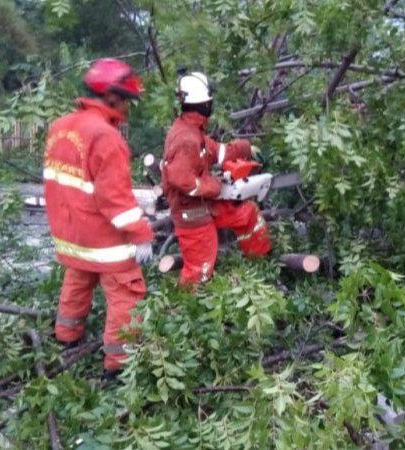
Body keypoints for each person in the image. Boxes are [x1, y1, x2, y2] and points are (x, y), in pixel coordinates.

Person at [43, 58, 154, 374]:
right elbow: (114, 199)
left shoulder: (59, 127)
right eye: (127, 101)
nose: (127, 109)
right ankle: (119, 365)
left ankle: (66, 338)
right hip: (102, 239)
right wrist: (140, 233)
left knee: (78, 278)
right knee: (127, 292)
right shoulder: (106, 137)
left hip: (69, 236)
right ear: (113, 96)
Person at [161, 71, 271, 286]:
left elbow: (216, 151)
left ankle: (259, 264)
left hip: (205, 204)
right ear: (203, 103)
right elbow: (182, 180)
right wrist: (215, 187)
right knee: (199, 270)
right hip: (191, 214)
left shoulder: (193, 129)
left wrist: (245, 149)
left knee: (246, 214)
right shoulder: (186, 139)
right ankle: (188, 308)